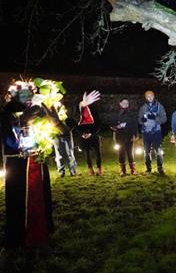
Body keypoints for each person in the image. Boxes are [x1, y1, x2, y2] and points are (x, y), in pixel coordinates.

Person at [0, 80, 66, 252]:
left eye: (29, 93)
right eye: (21, 93)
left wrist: (56, 121)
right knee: (18, 202)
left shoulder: (39, 110)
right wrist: (22, 121)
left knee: (41, 200)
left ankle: (41, 238)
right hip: (18, 166)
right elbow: (10, 142)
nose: (26, 97)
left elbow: (64, 132)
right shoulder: (6, 114)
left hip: (38, 163)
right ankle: (19, 240)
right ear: (13, 95)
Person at [138, 90, 167, 174]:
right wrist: (142, 120)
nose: (150, 98)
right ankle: (148, 168)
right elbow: (139, 120)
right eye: (148, 96)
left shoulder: (159, 106)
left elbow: (164, 119)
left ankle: (160, 168)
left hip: (156, 132)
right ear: (145, 97)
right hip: (146, 132)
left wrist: (155, 118)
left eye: (151, 96)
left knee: (158, 150)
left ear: (154, 96)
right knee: (146, 151)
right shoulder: (143, 107)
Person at [110, 98, 138, 176]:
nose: (125, 104)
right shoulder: (116, 114)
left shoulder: (131, 114)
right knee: (121, 153)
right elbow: (111, 124)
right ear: (120, 104)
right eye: (124, 103)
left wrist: (135, 135)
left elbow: (135, 125)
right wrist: (117, 126)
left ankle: (133, 170)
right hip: (120, 136)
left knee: (130, 153)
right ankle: (123, 170)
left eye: (127, 103)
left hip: (129, 136)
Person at [77, 90, 102, 176]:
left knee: (97, 152)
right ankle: (90, 169)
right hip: (83, 134)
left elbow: (98, 123)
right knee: (87, 153)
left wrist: (92, 133)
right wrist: (82, 134)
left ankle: (99, 169)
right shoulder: (78, 108)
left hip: (93, 133)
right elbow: (75, 121)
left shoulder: (94, 109)